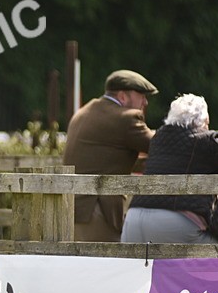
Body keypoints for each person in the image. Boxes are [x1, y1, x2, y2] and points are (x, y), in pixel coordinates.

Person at [121, 94, 218, 244]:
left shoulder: (157, 139)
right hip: (174, 222)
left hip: (133, 219)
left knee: (141, 267)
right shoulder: (204, 140)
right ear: (203, 121)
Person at [63, 70, 157, 241]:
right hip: (96, 212)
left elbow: (106, 157)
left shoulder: (84, 112)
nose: (145, 102)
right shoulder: (126, 118)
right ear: (123, 96)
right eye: (141, 96)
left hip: (73, 209)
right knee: (104, 265)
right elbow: (162, 147)